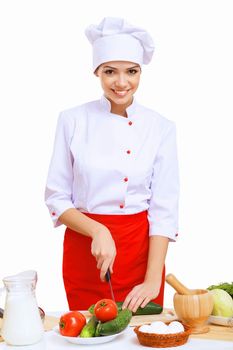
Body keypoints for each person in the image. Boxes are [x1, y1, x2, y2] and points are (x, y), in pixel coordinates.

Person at [45, 17, 179, 312]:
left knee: (142, 338)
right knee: (87, 335)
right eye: (110, 72)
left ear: (140, 72)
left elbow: (164, 209)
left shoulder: (160, 127)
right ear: (97, 72)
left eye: (131, 71)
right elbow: (56, 197)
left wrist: (152, 279)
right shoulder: (72, 120)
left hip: (140, 254)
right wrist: (98, 230)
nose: (121, 82)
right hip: (86, 252)